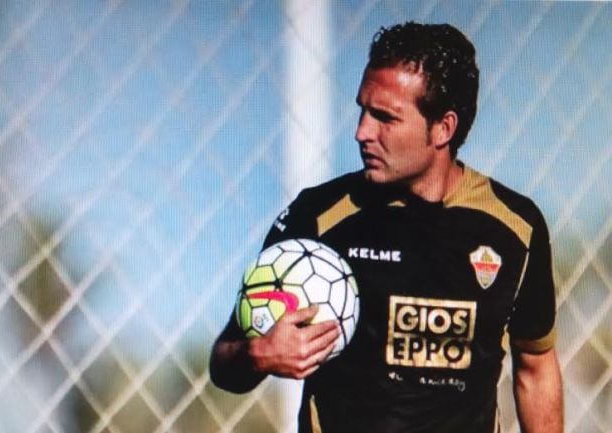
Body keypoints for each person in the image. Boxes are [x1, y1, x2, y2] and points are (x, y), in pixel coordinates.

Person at [210, 22, 563, 433]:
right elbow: (224, 361)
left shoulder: (515, 228)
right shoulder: (317, 219)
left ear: (443, 128)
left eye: (385, 118)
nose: (362, 132)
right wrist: (258, 355)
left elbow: (535, 369)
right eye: (362, 110)